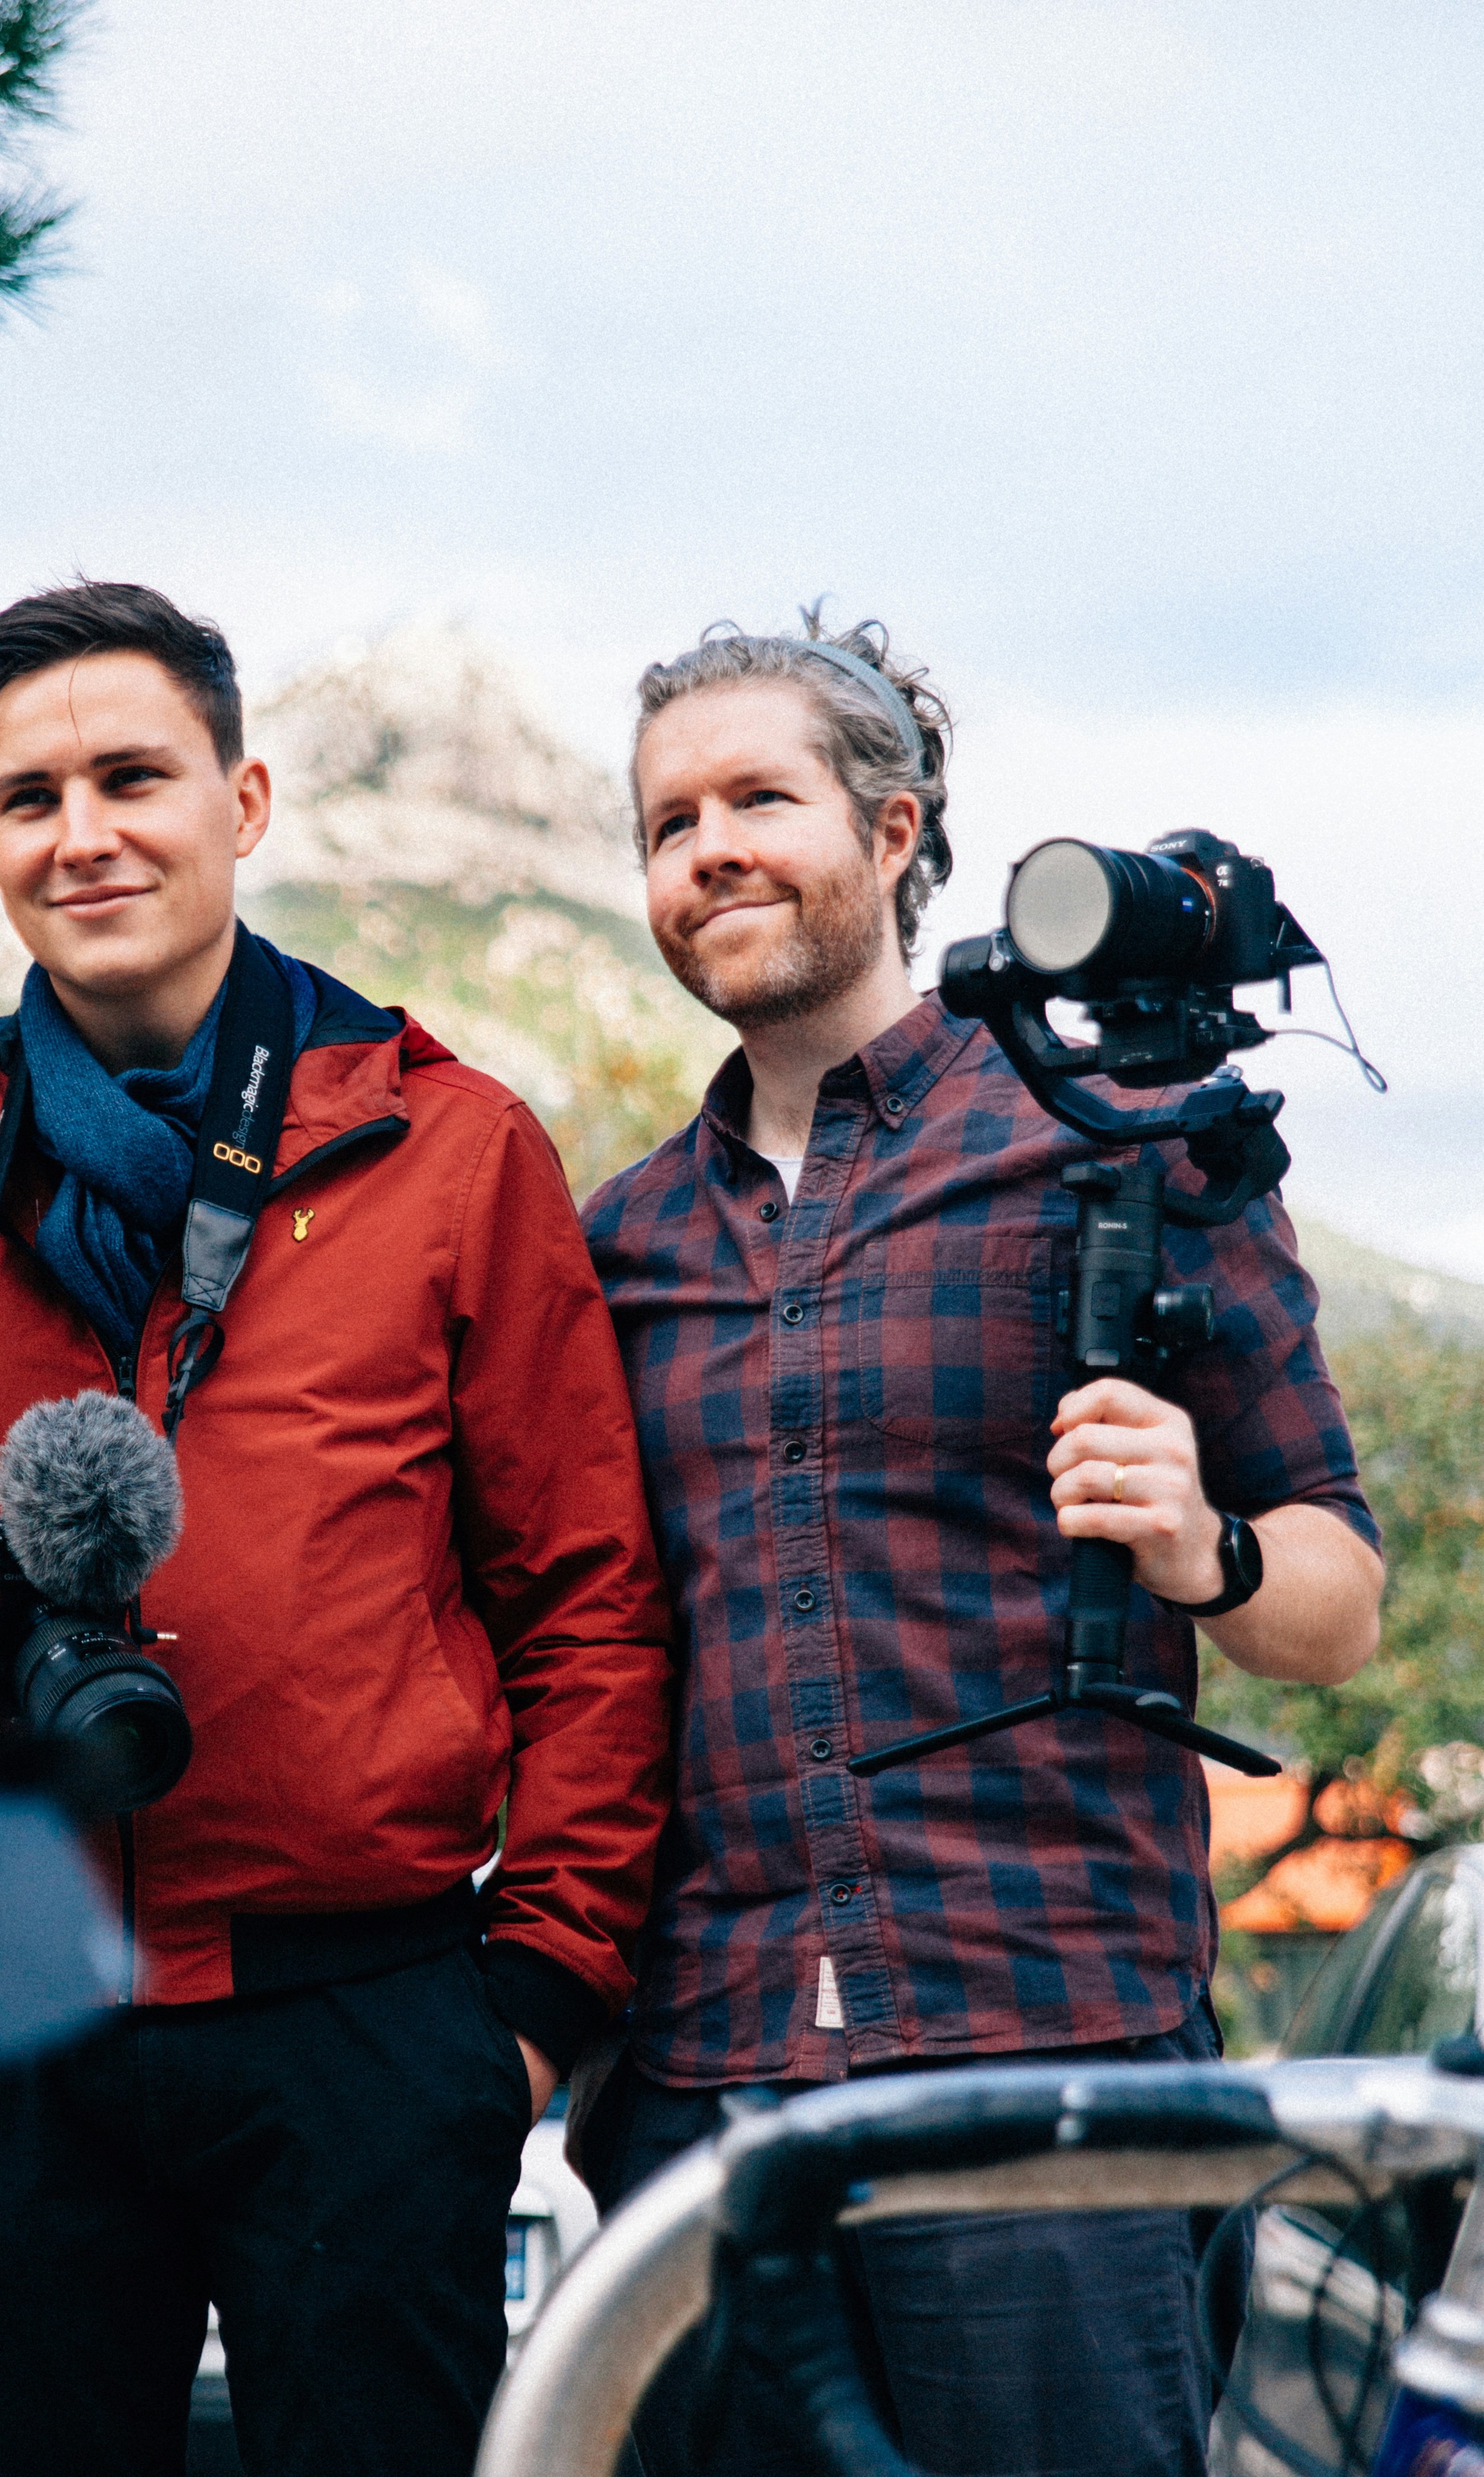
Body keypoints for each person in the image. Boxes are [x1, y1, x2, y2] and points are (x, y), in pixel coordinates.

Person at [0, 581, 674, 2477]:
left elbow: (591, 1606)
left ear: (245, 800)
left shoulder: (453, 1152)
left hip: (368, 2017)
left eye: (131, 777)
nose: (84, 835)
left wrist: (536, 1999)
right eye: (28, 797)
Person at [578, 616, 1384, 2477]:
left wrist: (1205, 1548)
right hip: (707, 2089)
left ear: (892, 832)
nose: (709, 851)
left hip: (1047, 2061)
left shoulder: (1123, 1140)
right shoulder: (617, 1246)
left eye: (758, 799)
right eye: (668, 823)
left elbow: (1338, 1599)